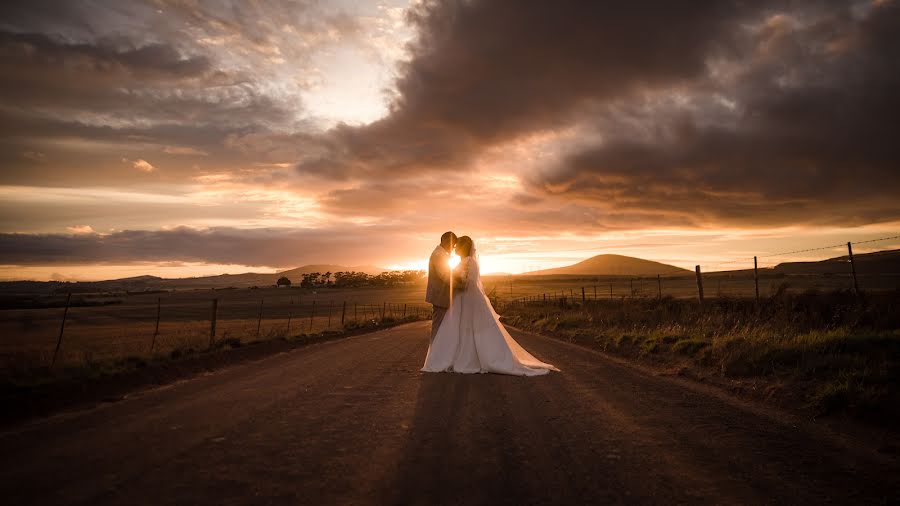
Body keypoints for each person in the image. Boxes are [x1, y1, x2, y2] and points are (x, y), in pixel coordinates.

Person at [422, 235, 558, 376]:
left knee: (464, 327)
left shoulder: (468, 262)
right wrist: (458, 283)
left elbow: (463, 280)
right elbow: (447, 276)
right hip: (461, 298)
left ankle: (451, 358)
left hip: (466, 298)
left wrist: (459, 284)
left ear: (462, 247)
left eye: (457, 246)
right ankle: (446, 356)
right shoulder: (459, 259)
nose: (454, 249)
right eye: (453, 245)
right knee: (459, 328)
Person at [425, 231, 456, 342]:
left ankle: (438, 352)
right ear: (446, 240)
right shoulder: (439, 254)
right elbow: (444, 275)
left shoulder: (441, 254)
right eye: (452, 245)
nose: (452, 248)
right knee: (438, 327)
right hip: (440, 296)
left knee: (441, 326)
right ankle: (434, 353)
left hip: (441, 296)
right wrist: (459, 284)